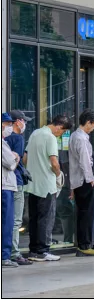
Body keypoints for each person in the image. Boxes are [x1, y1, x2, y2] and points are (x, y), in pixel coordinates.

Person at [25, 115, 71, 262]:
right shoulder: (50, 137)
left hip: (32, 185)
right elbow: (55, 163)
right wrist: (59, 175)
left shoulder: (35, 133)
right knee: (46, 218)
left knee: (34, 218)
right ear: (59, 126)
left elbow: (25, 158)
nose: (61, 134)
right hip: (46, 185)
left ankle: (33, 251)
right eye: (62, 132)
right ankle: (43, 251)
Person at [69, 109, 94, 257]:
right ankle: (85, 245)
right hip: (85, 181)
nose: (93, 128)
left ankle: (84, 244)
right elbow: (84, 161)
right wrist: (91, 179)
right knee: (87, 213)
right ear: (88, 122)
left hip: (77, 181)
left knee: (82, 213)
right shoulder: (81, 138)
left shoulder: (74, 136)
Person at [4, 111, 30, 265]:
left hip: (7, 182)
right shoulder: (17, 138)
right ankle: (14, 252)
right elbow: (17, 160)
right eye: (22, 121)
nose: (24, 124)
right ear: (17, 122)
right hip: (16, 182)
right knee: (15, 220)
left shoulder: (5, 139)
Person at [2, 113, 20, 268]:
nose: (9, 127)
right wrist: (16, 157)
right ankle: (4, 256)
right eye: (7, 124)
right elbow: (11, 163)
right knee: (6, 222)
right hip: (5, 186)